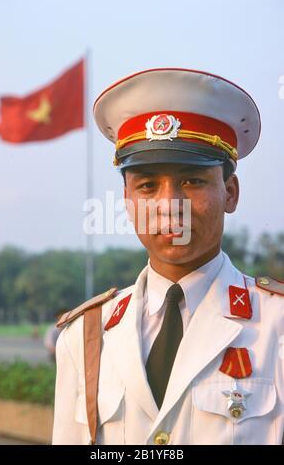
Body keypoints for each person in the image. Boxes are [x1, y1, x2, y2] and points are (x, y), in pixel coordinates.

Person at [52, 68, 284, 445]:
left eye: (192, 181)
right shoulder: (85, 336)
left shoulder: (277, 325)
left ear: (230, 193)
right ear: (127, 202)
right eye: (147, 185)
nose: (169, 205)